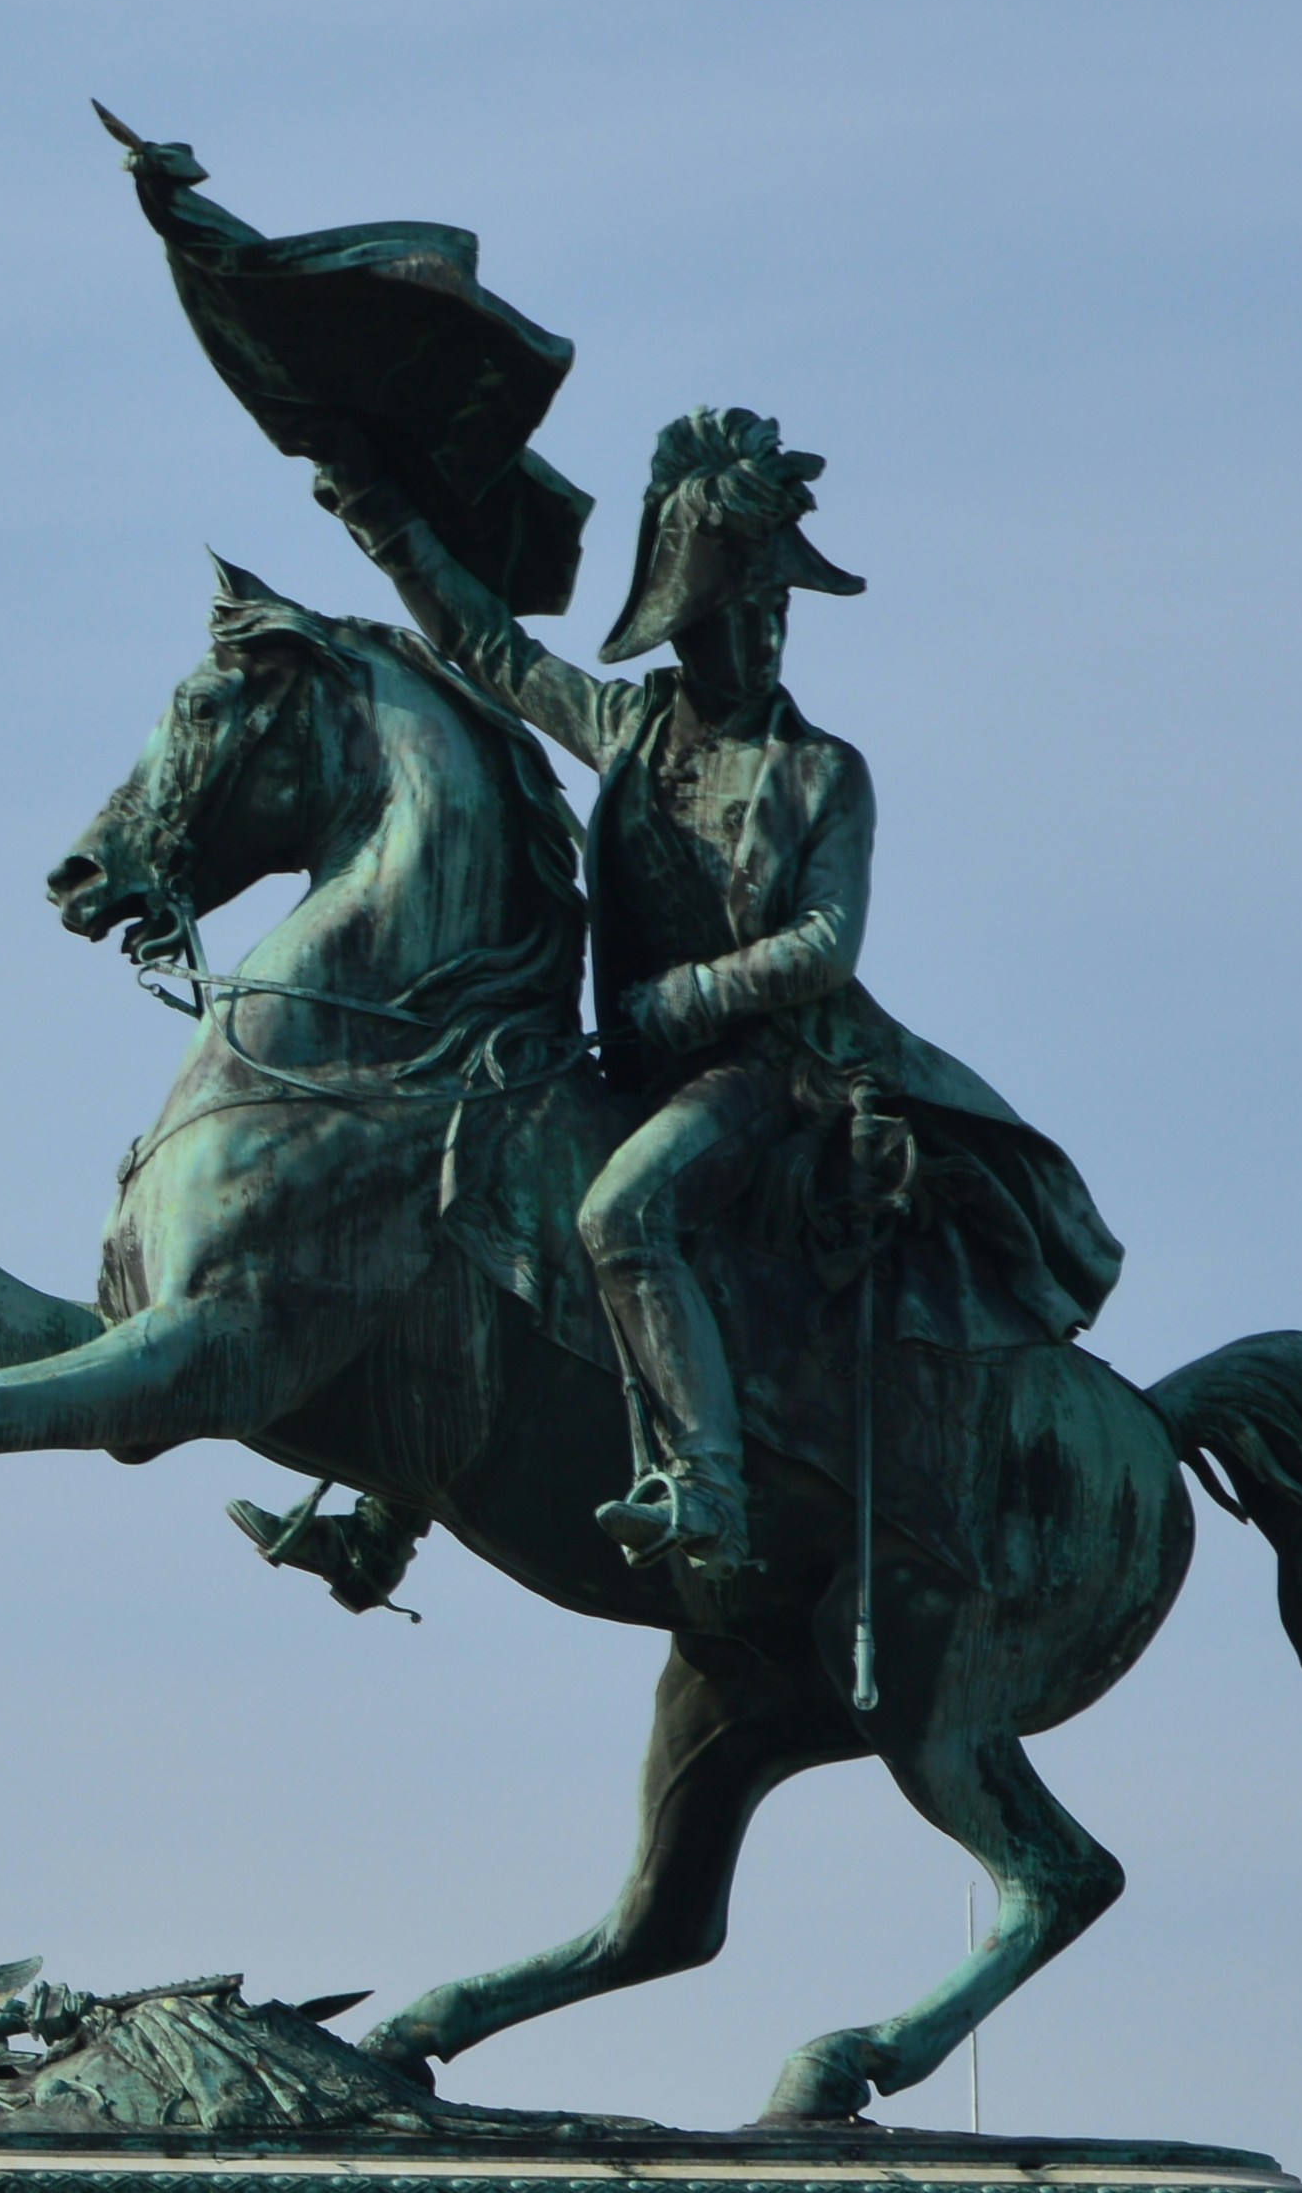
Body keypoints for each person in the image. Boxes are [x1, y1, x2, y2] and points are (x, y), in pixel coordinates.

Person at [327, 410, 1118, 1581]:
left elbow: (824, 943)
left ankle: (709, 1489)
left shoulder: (819, 773)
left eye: (775, 615)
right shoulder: (631, 726)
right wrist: (383, 522)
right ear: (687, 627)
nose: (763, 637)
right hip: (634, 1066)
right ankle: (389, 1508)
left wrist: (689, 997)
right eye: (741, 615)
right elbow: (490, 649)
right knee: (464, 1178)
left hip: (773, 1075)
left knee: (618, 1219)